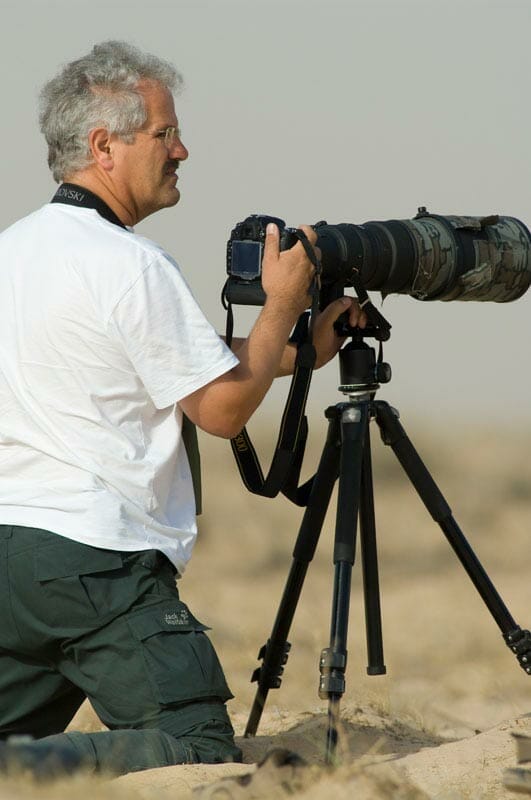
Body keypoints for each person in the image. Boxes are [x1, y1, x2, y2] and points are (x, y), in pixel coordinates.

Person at [0, 41, 365, 778]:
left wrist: (299, 347)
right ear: (105, 146)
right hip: (97, 564)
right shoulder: (131, 262)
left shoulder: (17, 249)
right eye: (165, 134)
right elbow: (222, 410)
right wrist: (283, 304)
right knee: (196, 750)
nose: (182, 150)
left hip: (15, 555)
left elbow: (155, 360)